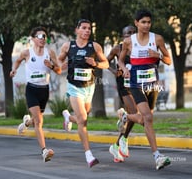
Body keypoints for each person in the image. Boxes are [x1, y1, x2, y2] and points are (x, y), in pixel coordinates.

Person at [118, 9, 172, 170]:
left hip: (152, 84)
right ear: (136, 23)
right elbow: (120, 61)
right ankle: (157, 156)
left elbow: (168, 60)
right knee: (147, 117)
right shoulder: (129, 41)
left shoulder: (157, 39)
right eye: (143, 22)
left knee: (146, 119)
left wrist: (158, 56)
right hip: (135, 84)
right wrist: (124, 70)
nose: (146, 25)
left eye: (149, 22)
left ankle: (126, 117)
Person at [58, 19, 109, 168]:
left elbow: (105, 63)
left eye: (89, 29)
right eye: (84, 28)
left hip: (89, 86)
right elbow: (58, 61)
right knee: (84, 120)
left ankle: (68, 117)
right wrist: (60, 65)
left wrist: (96, 64)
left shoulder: (95, 46)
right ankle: (89, 155)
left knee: (84, 115)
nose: (87, 31)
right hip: (74, 86)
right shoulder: (68, 46)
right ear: (77, 30)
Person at [10, 26, 61, 162]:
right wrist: (14, 70)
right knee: (39, 121)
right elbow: (17, 61)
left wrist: (51, 66)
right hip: (31, 89)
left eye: (45, 36)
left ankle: (27, 123)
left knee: (36, 119)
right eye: (40, 36)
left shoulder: (50, 53)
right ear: (33, 39)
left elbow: (59, 70)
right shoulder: (27, 53)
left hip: (44, 90)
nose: (43, 39)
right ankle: (44, 151)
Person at [107, 25, 138, 163]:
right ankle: (123, 138)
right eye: (128, 33)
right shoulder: (117, 49)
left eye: (133, 32)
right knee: (134, 111)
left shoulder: (139, 48)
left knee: (135, 115)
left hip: (137, 84)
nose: (131, 35)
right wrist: (114, 71)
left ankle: (117, 145)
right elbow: (105, 61)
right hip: (123, 85)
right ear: (123, 36)